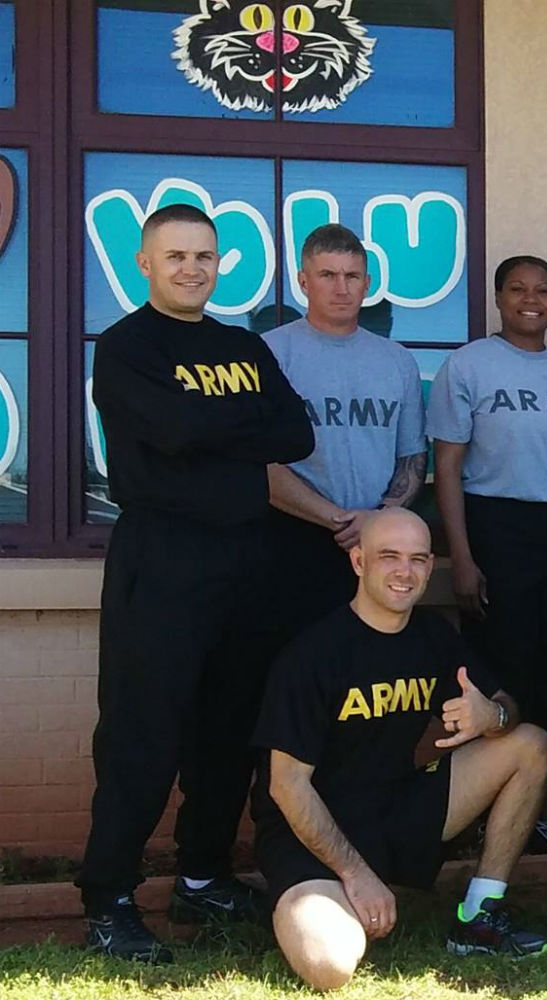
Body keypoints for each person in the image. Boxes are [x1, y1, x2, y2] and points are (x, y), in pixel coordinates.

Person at [79, 204, 314, 962]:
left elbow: (295, 432)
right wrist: (229, 425)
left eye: (204, 257)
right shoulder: (124, 348)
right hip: (163, 561)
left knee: (228, 732)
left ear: (221, 264)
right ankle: (109, 895)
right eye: (176, 256)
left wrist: (206, 424)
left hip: (250, 562)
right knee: (142, 735)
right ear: (144, 263)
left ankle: (203, 876)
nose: (192, 269)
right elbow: (174, 430)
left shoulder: (241, 345)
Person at [252, 509, 547, 991]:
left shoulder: (433, 637)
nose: (404, 571)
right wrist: (355, 873)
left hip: (398, 808)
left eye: (417, 559)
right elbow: (286, 786)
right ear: (358, 562)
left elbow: (506, 705)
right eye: (388, 557)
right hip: (313, 834)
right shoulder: (313, 655)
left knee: (529, 744)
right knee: (329, 966)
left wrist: (490, 717)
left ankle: (479, 917)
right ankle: (324, 902)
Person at [428, 255, 547, 850]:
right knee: (501, 672)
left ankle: (533, 813)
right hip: (495, 526)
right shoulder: (468, 366)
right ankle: (481, 809)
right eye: (518, 289)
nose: (531, 299)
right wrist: (463, 555)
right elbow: (447, 468)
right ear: (499, 299)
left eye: (543, 290)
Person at [262, 223, 426, 638]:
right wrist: (334, 518)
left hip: (378, 543)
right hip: (293, 536)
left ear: (367, 283)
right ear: (303, 281)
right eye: (327, 275)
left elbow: (411, 456)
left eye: (352, 276)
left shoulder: (397, 361)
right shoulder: (269, 354)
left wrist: (380, 517)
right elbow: (258, 461)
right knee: (293, 662)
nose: (341, 288)